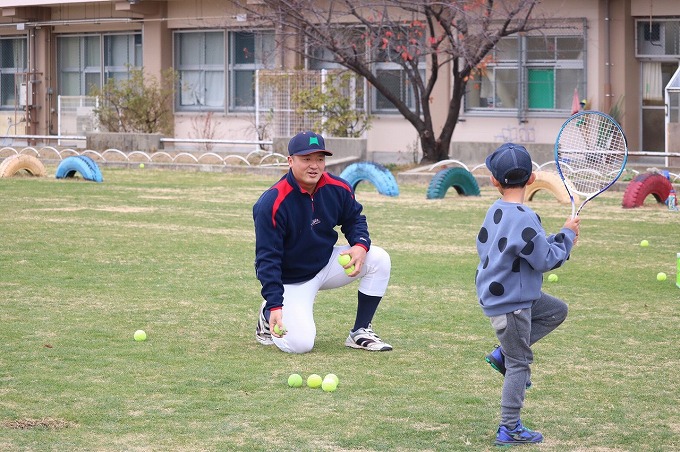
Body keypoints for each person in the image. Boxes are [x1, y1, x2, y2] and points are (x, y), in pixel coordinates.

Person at [475, 143, 580, 446]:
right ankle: (509, 427)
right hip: (512, 304)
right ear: (532, 178)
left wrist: (561, 236)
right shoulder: (525, 216)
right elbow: (545, 259)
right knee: (520, 364)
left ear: (494, 180)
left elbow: (522, 247)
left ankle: (503, 353)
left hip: (505, 296)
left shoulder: (497, 210)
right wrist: (568, 236)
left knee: (556, 310)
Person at [252, 131, 392, 354]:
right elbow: (267, 260)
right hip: (292, 280)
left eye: (319, 159)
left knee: (379, 258)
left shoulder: (338, 187)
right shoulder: (272, 202)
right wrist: (275, 303)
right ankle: (268, 313)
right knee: (300, 345)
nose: (314, 165)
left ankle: (360, 331)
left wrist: (359, 244)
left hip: (326, 264)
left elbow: (355, 219)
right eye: (306, 159)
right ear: (290, 161)